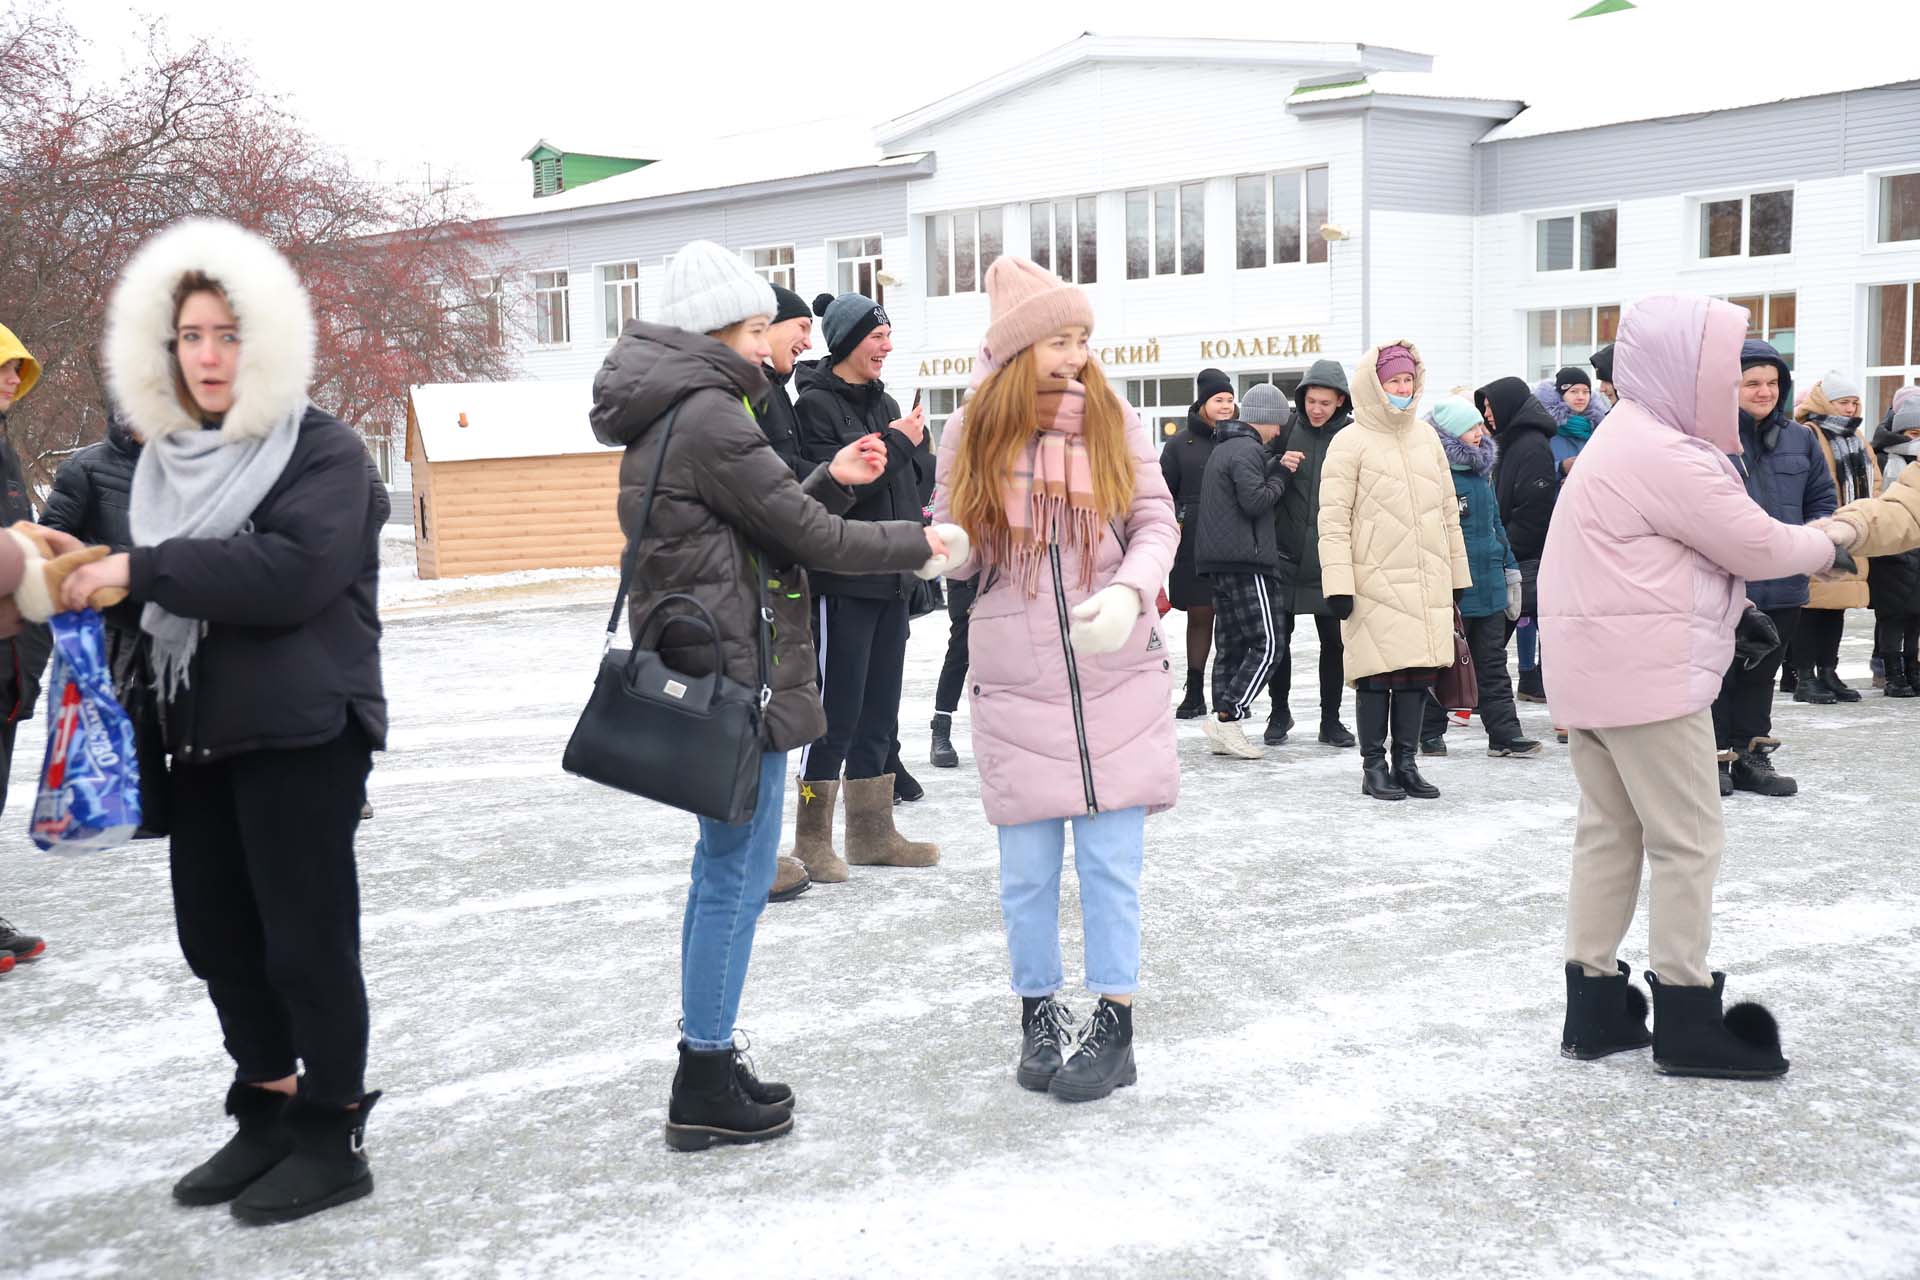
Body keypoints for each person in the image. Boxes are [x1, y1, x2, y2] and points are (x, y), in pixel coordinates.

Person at [51, 219, 386, 1222]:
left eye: (230, 334)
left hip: (303, 727)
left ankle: (334, 1129)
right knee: (218, 936)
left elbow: (289, 574)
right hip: (193, 728)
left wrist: (139, 567)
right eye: (191, 334)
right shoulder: (163, 464)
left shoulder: (322, 453)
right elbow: (132, 578)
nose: (208, 355)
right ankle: (268, 1106)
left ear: (268, 343)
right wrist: (64, 561)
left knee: (305, 940)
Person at [587, 240, 952, 1149]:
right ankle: (703, 1071)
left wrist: (829, 474)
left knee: (731, 871)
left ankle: (707, 1058)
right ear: (717, 330)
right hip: (735, 674)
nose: (769, 346)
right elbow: (805, 535)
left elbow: (754, 513)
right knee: (734, 877)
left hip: (712, 663)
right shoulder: (712, 411)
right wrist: (923, 543)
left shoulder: (678, 406)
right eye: (758, 328)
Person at [1541, 294, 1838, 1080]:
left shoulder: (1626, 439)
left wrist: (1733, 610)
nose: (1730, 379)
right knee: (1688, 839)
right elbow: (1755, 541)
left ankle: (1596, 1008)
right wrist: (1835, 536)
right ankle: (1686, 1018)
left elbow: (1667, 557)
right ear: (1684, 368)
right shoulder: (1662, 450)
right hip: (1647, 679)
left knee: (1610, 833)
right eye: (1720, 364)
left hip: (1600, 672)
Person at [934, 256, 1177, 1103]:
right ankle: (1038, 1014)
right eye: (1059, 340)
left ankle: (1114, 1024)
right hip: (1017, 674)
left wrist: (1128, 588)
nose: (1076, 355)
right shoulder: (970, 432)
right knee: (1027, 873)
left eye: (1082, 338)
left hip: (1114, 665)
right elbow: (949, 537)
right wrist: (956, 552)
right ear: (1018, 348)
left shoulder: (1113, 418)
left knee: (1112, 866)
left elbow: (1156, 520)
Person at [790, 290, 940, 878]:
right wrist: (901, 445)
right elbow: (846, 490)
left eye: (888, 335)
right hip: (843, 582)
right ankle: (811, 836)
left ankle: (874, 834)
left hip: (891, 582)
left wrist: (915, 448)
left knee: (879, 714)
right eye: (878, 336)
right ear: (850, 340)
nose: (888, 346)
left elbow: (907, 486)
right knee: (834, 713)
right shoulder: (813, 410)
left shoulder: (889, 403)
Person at [1320, 342, 1472, 802]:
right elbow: (1332, 519)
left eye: (1408, 380)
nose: (1402, 389)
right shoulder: (1349, 441)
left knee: (1416, 677)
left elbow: (1448, 510)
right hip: (1373, 582)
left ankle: (1406, 763)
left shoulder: (1426, 438)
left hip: (1425, 578)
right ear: (1374, 384)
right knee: (1377, 676)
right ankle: (1374, 768)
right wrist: (1339, 584)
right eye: (1394, 381)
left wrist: (1457, 576)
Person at [1708, 339, 1835, 797]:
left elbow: (1822, 502)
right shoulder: (1707, 439)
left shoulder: (1800, 438)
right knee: (1719, 673)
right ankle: (1713, 758)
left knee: (1761, 675)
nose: (1765, 391)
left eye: (1773, 382)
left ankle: (1750, 757)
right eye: (1752, 383)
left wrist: (1808, 547)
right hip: (1724, 583)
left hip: (1783, 584)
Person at [1419, 395, 1540, 759]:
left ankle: (1504, 734)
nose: (1480, 432)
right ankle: (1428, 732)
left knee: (1492, 664)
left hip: (1488, 585)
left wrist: (1510, 568)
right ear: (1453, 432)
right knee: (1443, 661)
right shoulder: (1435, 476)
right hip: (1451, 588)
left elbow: (1494, 525)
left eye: (1480, 425)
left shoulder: (1481, 472)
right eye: (1471, 427)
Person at [1193, 384, 1294, 760]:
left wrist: (1270, 467)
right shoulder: (1249, 449)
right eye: (1277, 423)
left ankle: (1224, 727)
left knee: (1232, 645)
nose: (1279, 432)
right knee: (1268, 644)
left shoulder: (1225, 447)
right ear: (1266, 419)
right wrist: (1281, 473)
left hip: (1219, 561)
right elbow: (1256, 501)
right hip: (1247, 560)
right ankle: (1228, 715)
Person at [1267, 359, 1356, 749]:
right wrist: (1276, 464)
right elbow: (1257, 473)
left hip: (1329, 560)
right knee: (1280, 642)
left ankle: (1330, 719)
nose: (1316, 409)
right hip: (1284, 556)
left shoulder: (1352, 437)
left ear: (1340, 401)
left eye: (1325, 402)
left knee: (1334, 645)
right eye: (1311, 401)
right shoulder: (1286, 430)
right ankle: (1279, 712)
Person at [0, 323, 52, 970]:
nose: (15, 378)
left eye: (19, 369)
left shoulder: (7, 455)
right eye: (6, 367)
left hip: (8, 662)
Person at [1791, 371, 1878, 704]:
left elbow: (1877, 483)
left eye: (1855, 402)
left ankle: (1829, 671)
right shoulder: (1808, 434)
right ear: (1826, 402)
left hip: (1851, 532)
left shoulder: (1858, 439)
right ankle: (1804, 677)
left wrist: (1864, 521)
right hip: (1817, 529)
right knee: (1810, 607)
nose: (1851, 407)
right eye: (1844, 401)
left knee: (1836, 608)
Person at [1474, 375, 1559, 705]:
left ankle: (1487, 697)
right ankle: (1486, 696)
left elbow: (1533, 512)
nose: (1487, 414)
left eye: (1490, 406)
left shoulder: (1531, 446)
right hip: (1513, 554)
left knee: (1497, 633)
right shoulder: (1510, 441)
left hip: (1523, 558)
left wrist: (1504, 550)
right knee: (1499, 633)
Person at [1160, 368, 1232, 718]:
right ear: (1203, 403)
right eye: (1219, 399)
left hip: (1232, 542)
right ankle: (1195, 691)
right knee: (1200, 615)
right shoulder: (1178, 445)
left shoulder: (1239, 440)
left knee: (1232, 620)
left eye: (1231, 400)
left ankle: (1228, 695)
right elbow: (1161, 494)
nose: (1226, 406)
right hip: (1192, 542)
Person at [1866, 400, 1920, 696]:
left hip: (1918, 546)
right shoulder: (1884, 460)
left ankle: (1912, 669)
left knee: (1915, 616)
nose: (1917, 439)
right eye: (1912, 432)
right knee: (1892, 617)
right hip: (1891, 549)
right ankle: (1892, 674)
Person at [928, 571, 975, 768]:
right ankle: (941, 729)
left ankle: (1009, 733)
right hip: (966, 575)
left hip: (1004, 577)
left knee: (1004, 656)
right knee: (960, 651)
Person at [1537, 366, 1608, 478]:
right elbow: (1531, 471)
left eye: (1585, 392)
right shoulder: (1544, 429)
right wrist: (1559, 468)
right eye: (1574, 391)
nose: (1581, 397)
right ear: (1560, 395)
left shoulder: (1598, 429)